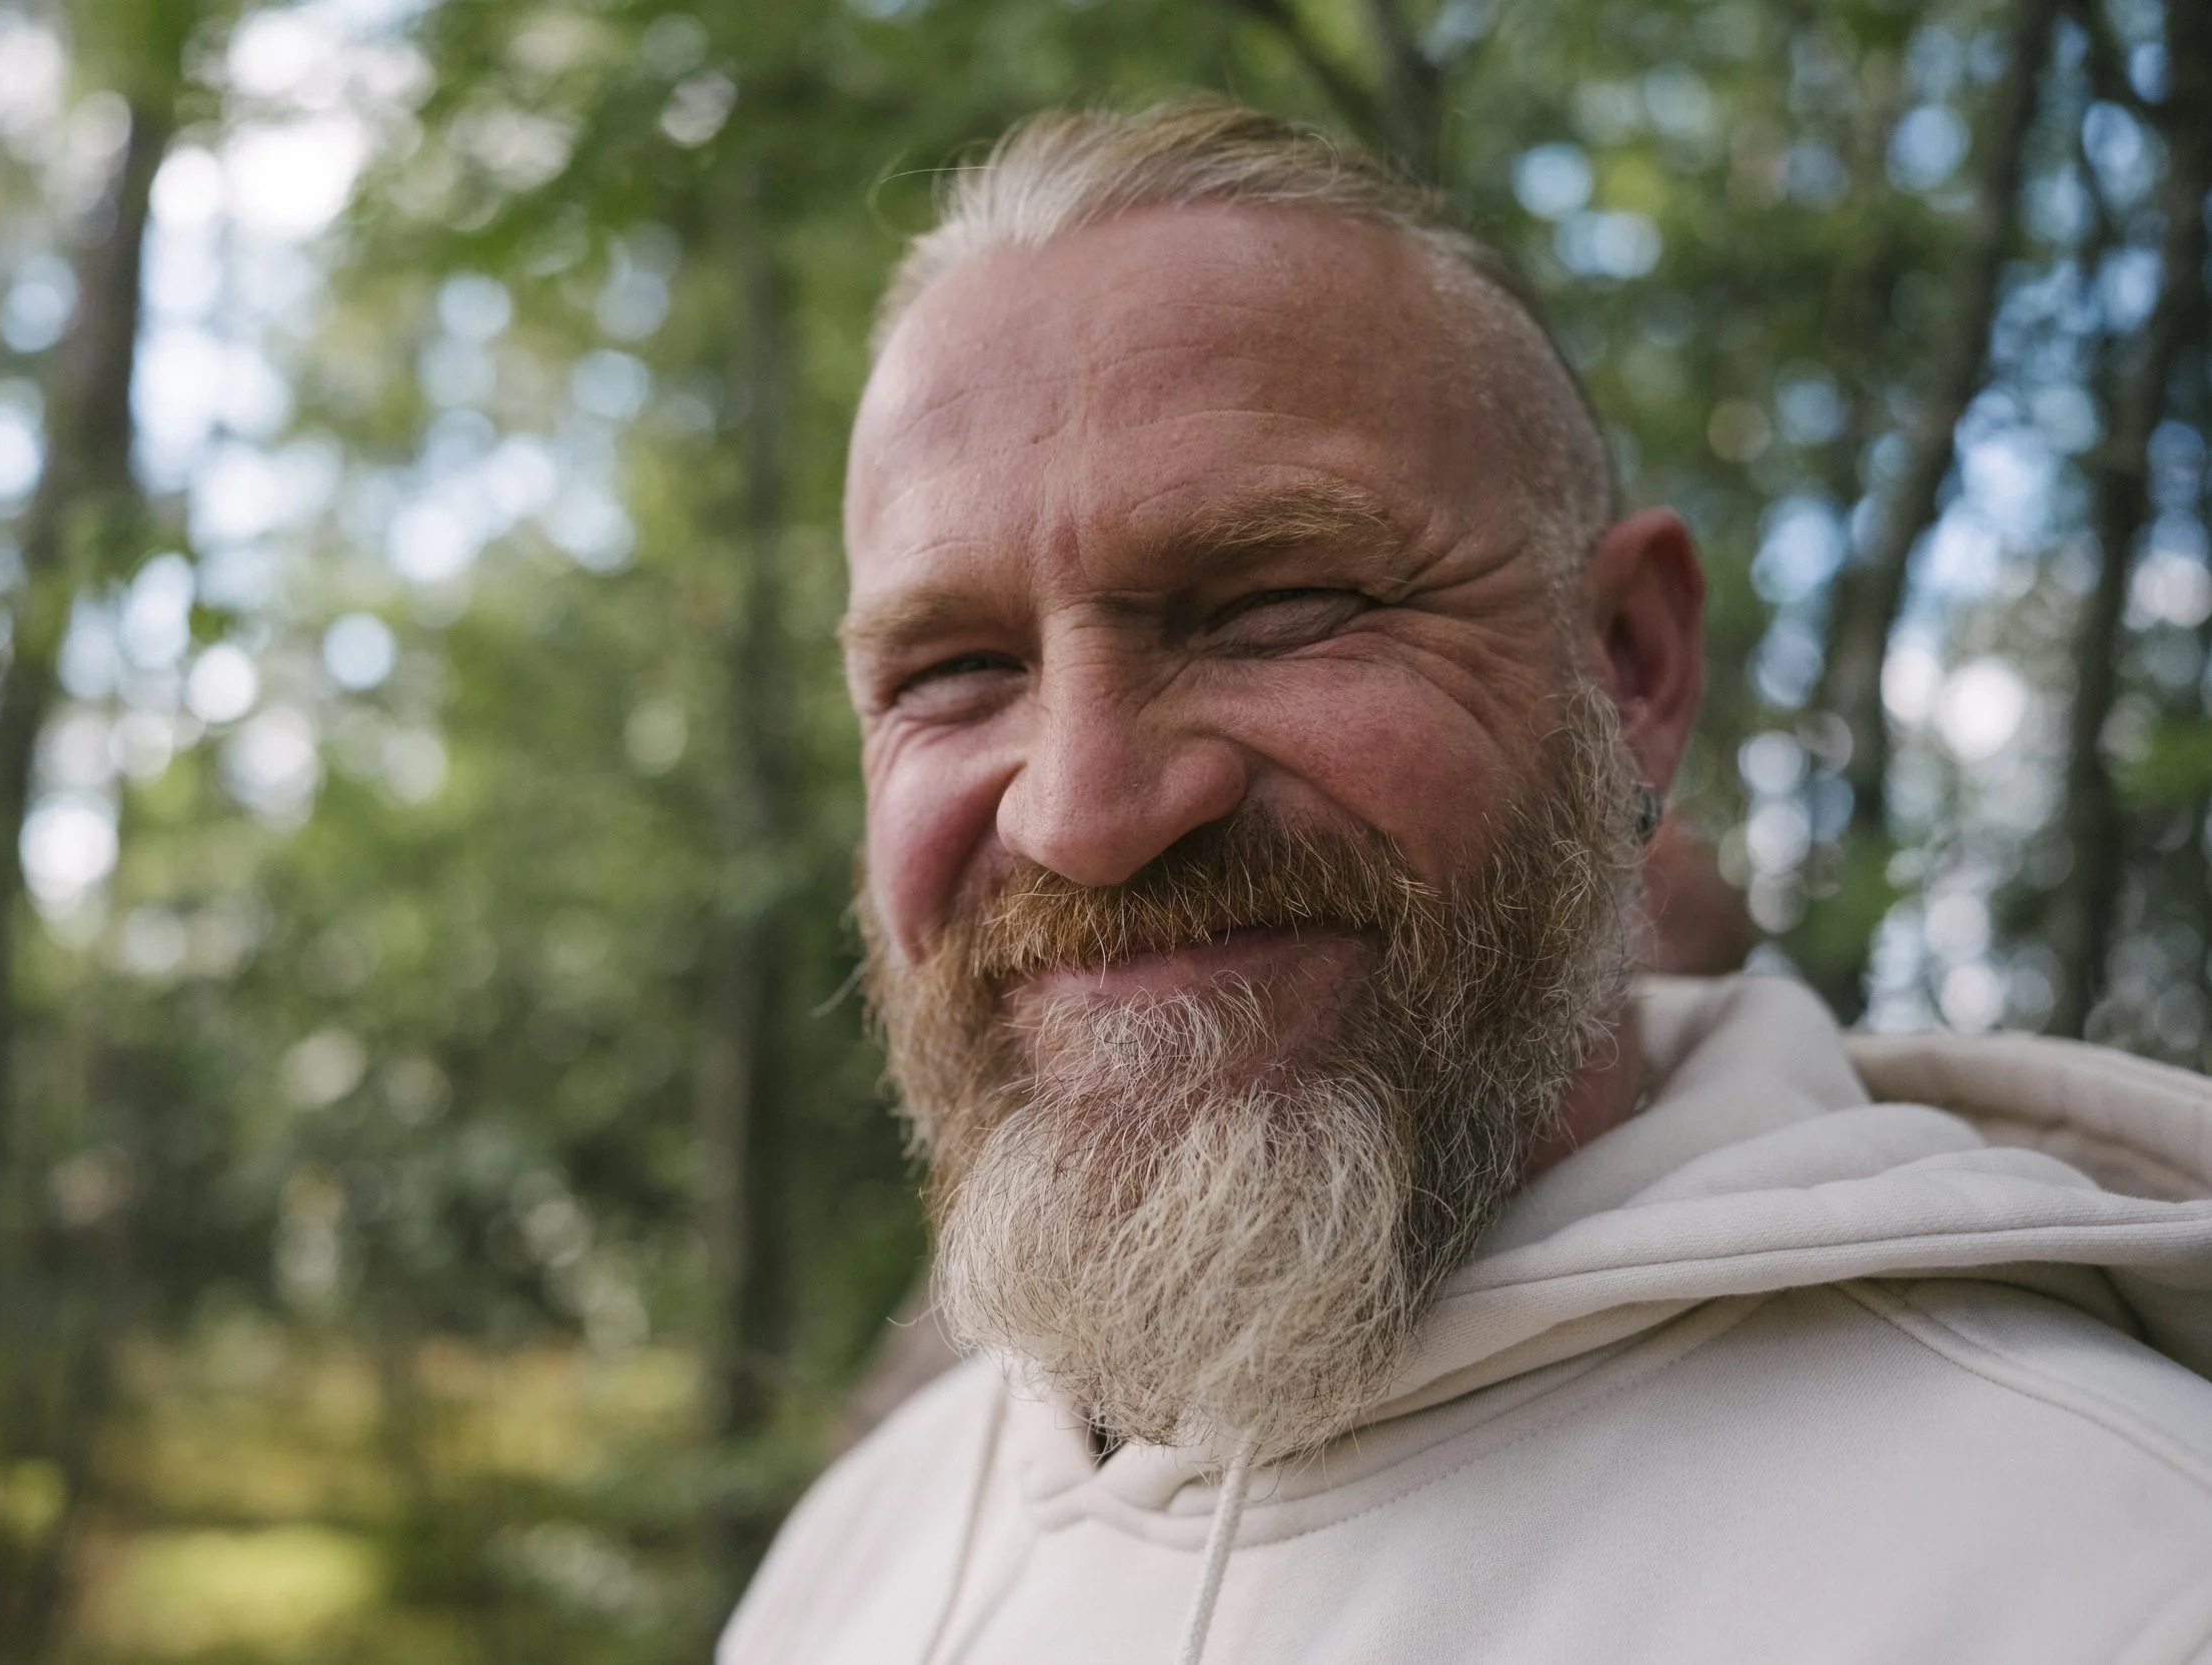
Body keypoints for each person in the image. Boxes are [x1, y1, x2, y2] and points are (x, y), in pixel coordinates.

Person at [720, 98, 2212, 1664]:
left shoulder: (2118, 1580)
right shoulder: (858, 1553)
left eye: (1278, 602)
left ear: (1632, 665)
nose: (1087, 815)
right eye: (955, 667)